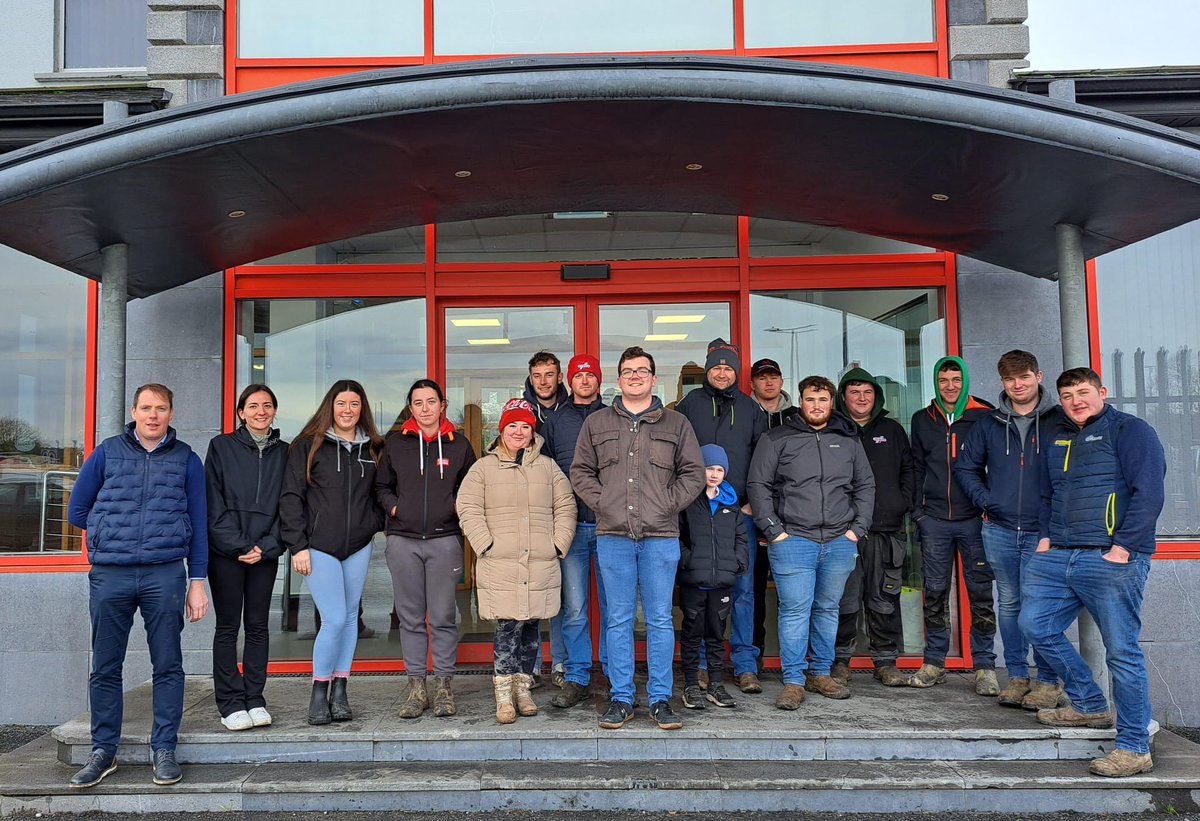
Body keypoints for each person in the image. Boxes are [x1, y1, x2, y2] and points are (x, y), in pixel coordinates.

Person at [1020, 367, 1165, 778]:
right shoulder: (1058, 436)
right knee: (1035, 625)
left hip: (1110, 558)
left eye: (1083, 392)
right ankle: (1088, 704)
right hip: (1059, 554)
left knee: (1121, 652)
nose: (1075, 401)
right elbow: (1048, 493)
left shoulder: (1130, 431)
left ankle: (1134, 746)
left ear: (1102, 392)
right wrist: (1045, 538)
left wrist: (1124, 547)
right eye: (1067, 396)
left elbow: (1149, 493)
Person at [65, 383, 209, 789]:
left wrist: (197, 581)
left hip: (165, 574)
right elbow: (77, 510)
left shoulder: (186, 459)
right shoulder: (107, 452)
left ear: (171, 413)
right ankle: (103, 751)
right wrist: (110, 531)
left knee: (168, 664)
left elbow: (199, 524)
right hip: (111, 574)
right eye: (146, 408)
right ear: (134, 412)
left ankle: (164, 748)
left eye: (160, 408)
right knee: (105, 665)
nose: (153, 415)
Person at [572, 346, 704, 731]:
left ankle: (660, 699)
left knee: (660, 619)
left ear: (653, 378)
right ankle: (622, 698)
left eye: (641, 371)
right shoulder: (596, 423)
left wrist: (666, 505)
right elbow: (580, 472)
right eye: (628, 371)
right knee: (618, 619)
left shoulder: (676, 424)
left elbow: (693, 474)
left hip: (661, 536)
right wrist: (605, 504)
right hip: (613, 535)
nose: (634, 376)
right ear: (619, 379)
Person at [748, 375, 875, 710]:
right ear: (800, 402)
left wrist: (857, 529)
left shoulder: (847, 438)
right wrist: (774, 530)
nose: (817, 406)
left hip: (839, 540)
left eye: (823, 400)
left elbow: (865, 484)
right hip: (793, 540)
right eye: (810, 399)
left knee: (828, 609)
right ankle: (793, 680)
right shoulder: (777, 438)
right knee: (794, 611)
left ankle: (820, 673)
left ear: (832, 402)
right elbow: (758, 485)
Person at [954, 350, 1063, 710]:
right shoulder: (989, 423)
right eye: (1010, 379)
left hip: (1044, 532)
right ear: (1002, 382)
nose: (1017, 385)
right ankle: (1017, 677)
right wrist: (986, 501)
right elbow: (966, 468)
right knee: (1011, 603)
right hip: (999, 530)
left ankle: (1047, 681)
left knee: (1042, 606)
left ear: (1038, 376)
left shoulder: (1059, 420)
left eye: (1024, 377)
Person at [456, 398, 576, 724]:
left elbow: (566, 506)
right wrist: (485, 544)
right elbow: (468, 507)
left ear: (533, 431)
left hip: (539, 561)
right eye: (512, 426)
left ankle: (523, 690)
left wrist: (557, 544)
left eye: (525, 426)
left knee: (532, 628)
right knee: (507, 628)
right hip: (501, 562)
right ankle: (503, 694)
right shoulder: (483, 468)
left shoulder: (548, 468)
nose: (519, 432)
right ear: (501, 430)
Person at [279, 380, 384, 726]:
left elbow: (381, 493)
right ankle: (318, 691)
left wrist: (373, 524)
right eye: (341, 403)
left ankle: (340, 691)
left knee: (351, 618)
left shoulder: (374, 448)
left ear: (361, 409)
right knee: (335, 618)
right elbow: (291, 497)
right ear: (330, 406)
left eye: (354, 404)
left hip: (358, 546)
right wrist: (298, 546)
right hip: (318, 546)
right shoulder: (308, 446)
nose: (347, 410)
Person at [375, 379, 477, 719]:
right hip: (403, 540)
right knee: (410, 618)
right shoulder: (395, 444)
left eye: (431, 401)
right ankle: (417, 688)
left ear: (442, 405)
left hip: (444, 540)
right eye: (418, 402)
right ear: (410, 407)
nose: (425, 408)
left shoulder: (459, 445)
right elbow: (381, 486)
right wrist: (394, 507)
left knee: (444, 617)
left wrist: (455, 508)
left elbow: (470, 487)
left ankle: (444, 687)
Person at [675, 338, 767, 694]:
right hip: (697, 511)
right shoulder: (689, 406)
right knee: (699, 591)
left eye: (729, 367)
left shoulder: (750, 409)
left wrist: (753, 502)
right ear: (707, 370)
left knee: (742, 589)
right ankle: (699, 664)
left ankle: (744, 664)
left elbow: (763, 460)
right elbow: (676, 455)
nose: (723, 372)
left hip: (738, 512)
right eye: (717, 367)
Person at [908, 356, 998, 694]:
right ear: (936, 382)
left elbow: (996, 466)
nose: (950, 386)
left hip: (974, 520)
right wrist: (918, 511)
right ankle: (934, 661)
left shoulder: (984, 416)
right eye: (943, 380)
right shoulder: (923, 419)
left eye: (956, 380)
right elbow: (916, 467)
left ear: (965, 382)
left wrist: (989, 506)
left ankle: (985, 666)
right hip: (934, 520)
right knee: (934, 592)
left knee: (980, 593)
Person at [205, 384, 288, 732]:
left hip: (264, 554)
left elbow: (289, 505)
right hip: (226, 554)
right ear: (241, 412)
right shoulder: (221, 447)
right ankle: (230, 703)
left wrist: (267, 547)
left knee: (257, 627)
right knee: (228, 627)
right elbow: (212, 503)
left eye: (267, 405)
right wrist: (240, 546)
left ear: (274, 411)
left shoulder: (285, 452)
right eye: (253, 406)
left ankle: (254, 698)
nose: (260, 411)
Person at [832, 368, 914, 688]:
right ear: (843, 397)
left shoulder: (892, 430)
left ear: (876, 397)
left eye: (867, 392)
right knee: (844, 598)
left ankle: (885, 661)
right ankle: (840, 661)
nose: (861, 398)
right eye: (854, 392)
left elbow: (909, 470)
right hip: (844, 531)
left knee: (883, 597)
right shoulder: (835, 429)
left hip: (885, 529)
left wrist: (901, 503)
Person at [542, 354, 610, 709]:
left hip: (611, 526)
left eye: (590, 375)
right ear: (569, 381)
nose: (584, 380)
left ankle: (614, 674)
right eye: (578, 376)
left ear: (599, 380)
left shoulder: (613, 417)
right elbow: (545, 472)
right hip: (572, 528)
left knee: (614, 609)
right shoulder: (555, 421)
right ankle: (577, 676)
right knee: (574, 609)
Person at [678, 444, 748, 711]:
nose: (715, 474)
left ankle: (716, 684)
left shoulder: (730, 503)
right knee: (692, 633)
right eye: (709, 468)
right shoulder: (688, 501)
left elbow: (741, 537)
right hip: (694, 581)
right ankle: (691, 685)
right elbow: (676, 535)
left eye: (719, 469)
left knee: (717, 634)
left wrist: (737, 562)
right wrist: (688, 561)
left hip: (722, 582)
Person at [523, 350, 569, 686]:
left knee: (562, 596)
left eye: (549, 374)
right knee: (532, 592)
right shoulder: (521, 412)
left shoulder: (572, 410)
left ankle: (562, 663)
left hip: (566, 511)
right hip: (531, 514)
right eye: (537, 375)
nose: (543, 381)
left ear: (559, 377)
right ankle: (532, 665)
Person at [748, 357, 794, 666]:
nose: (768, 382)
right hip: (751, 514)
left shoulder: (797, 417)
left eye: (773, 376)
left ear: (781, 381)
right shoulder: (744, 412)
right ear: (753, 382)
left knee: (791, 594)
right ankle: (755, 657)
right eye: (762, 377)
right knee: (752, 592)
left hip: (792, 516)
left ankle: (792, 660)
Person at [750, 358, 798, 430]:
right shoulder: (742, 413)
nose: (769, 383)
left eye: (774, 378)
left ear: (781, 382)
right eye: (762, 379)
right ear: (752, 385)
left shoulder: (798, 415)